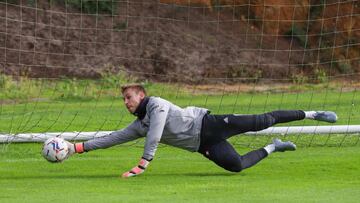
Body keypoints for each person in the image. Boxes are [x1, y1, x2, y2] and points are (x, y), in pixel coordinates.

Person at [65, 84, 338, 178]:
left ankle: (313, 113)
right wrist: (75, 148)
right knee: (236, 166)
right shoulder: (140, 124)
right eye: (123, 100)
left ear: (142, 95)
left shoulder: (157, 105)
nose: (126, 103)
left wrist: (143, 164)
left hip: (209, 124)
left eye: (129, 98)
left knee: (263, 119)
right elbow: (113, 139)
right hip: (202, 145)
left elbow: (157, 132)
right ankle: (273, 146)